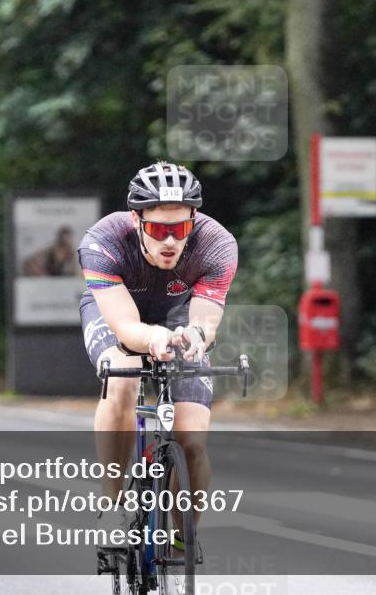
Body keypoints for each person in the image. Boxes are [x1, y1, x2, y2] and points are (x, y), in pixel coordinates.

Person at [79, 162, 238, 548]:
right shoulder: (103, 241)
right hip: (117, 312)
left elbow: (204, 322)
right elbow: (127, 330)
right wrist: (152, 338)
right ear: (136, 220)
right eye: (158, 229)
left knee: (192, 440)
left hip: (179, 315)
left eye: (180, 229)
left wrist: (196, 335)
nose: (170, 241)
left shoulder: (218, 244)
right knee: (123, 378)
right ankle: (112, 501)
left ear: (194, 220)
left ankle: (183, 537)